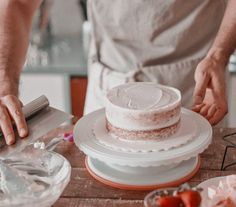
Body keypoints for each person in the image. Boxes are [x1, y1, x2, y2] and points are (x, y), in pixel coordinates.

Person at [0, 0, 236, 145]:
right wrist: (4, 85)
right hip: (108, 88)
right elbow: (18, 3)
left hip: (193, 88)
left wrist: (218, 55)